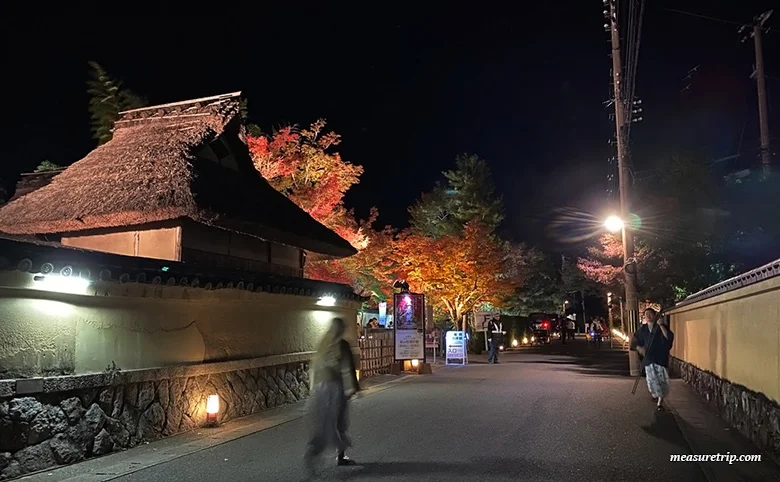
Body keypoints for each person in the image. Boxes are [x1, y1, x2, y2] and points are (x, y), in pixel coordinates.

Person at [304, 318, 361, 472]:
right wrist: (352, 388)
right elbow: (346, 368)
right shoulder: (342, 345)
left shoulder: (323, 345)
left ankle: (315, 448)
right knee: (339, 421)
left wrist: (312, 387)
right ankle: (341, 455)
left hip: (320, 388)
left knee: (323, 420)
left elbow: (313, 367)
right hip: (336, 387)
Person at [632, 308, 674, 411]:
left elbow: (668, 337)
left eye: (650, 314)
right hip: (649, 358)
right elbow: (635, 341)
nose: (649, 316)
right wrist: (639, 348)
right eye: (646, 314)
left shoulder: (660, 326)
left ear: (655, 315)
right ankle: (656, 395)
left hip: (660, 357)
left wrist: (661, 325)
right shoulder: (643, 329)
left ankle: (660, 402)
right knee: (651, 380)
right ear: (644, 317)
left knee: (661, 379)